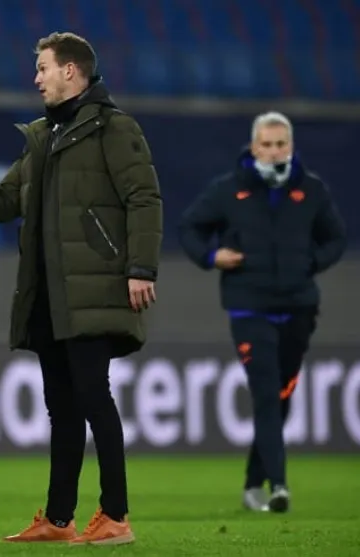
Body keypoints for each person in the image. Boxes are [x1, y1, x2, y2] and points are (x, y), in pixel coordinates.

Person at [0, 32, 162, 545]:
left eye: (42, 68)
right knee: (62, 408)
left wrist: (141, 268)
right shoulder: (43, 138)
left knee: (94, 397)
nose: (36, 78)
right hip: (48, 295)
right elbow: (3, 203)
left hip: (93, 288)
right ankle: (59, 520)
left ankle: (116, 515)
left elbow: (144, 198)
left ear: (70, 70)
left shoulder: (114, 128)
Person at [178, 111, 346, 513]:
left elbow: (336, 238)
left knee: (282, 395)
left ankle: (254, 483)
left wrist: (310, 263)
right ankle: (279, 486)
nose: (273, 152)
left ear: (291, 146)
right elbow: (189, 228)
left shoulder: (311, 190)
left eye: (280, 144)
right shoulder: (229, 190)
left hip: (299, 307)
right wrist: (212, 256)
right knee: (267, 393)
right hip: (249, 308)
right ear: (254, 148)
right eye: (267, 145)